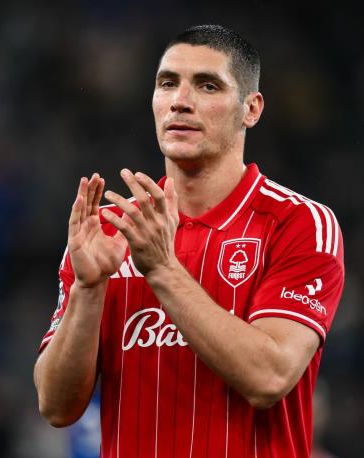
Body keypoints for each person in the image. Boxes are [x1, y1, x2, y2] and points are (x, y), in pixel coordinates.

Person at [34, 24, 345, 458]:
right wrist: (88, 289)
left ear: (251, 109)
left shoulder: (299, 224)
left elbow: (269, 377)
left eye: (207, 85)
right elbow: (56, 407)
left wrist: (162, 269)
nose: (180, 100)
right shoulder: (107, 232)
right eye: (167, 83)